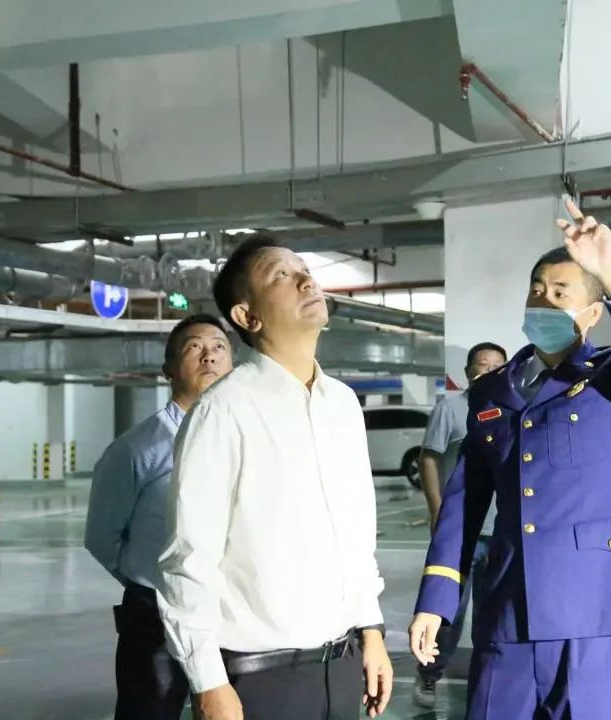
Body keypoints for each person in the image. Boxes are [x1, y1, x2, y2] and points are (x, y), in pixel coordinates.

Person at [409, 198, 611, 719]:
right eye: (537, 289)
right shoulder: (491, 393)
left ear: (593, 313)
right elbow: (463, 507)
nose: (544, 300)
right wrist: (435, 601)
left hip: (594, 613)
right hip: (509, 607)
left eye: (561, 292)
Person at [156, 235, 393, 720]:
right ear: (248, 316)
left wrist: (371, 630)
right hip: (264, 678)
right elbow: (189, 559)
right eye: (281, 275)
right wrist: (208, 682)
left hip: (343, 664)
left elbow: (355, 533)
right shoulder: (224, 410)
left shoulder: (342, 404)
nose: (306, 281)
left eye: (304, 270)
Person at [84, 314, 234, 720]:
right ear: (169, 369)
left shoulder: (240, 438)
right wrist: (151, 580)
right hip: (156, 615)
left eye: (219, 347)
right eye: (194, 348)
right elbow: (101, 537)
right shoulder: (138, 449)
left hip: (230, 609)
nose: (209, 356)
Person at [412, 341, 508, 709]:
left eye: (497, 365)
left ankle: (487, 683)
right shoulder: (450, 408)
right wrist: (438, 510)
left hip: (501, 534)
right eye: (482, 364)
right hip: (463, 534)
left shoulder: (512, 410)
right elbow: (429, 459)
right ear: (468, 371)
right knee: (446, 610)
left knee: (493, 614)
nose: (489, 370)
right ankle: (429, 675)